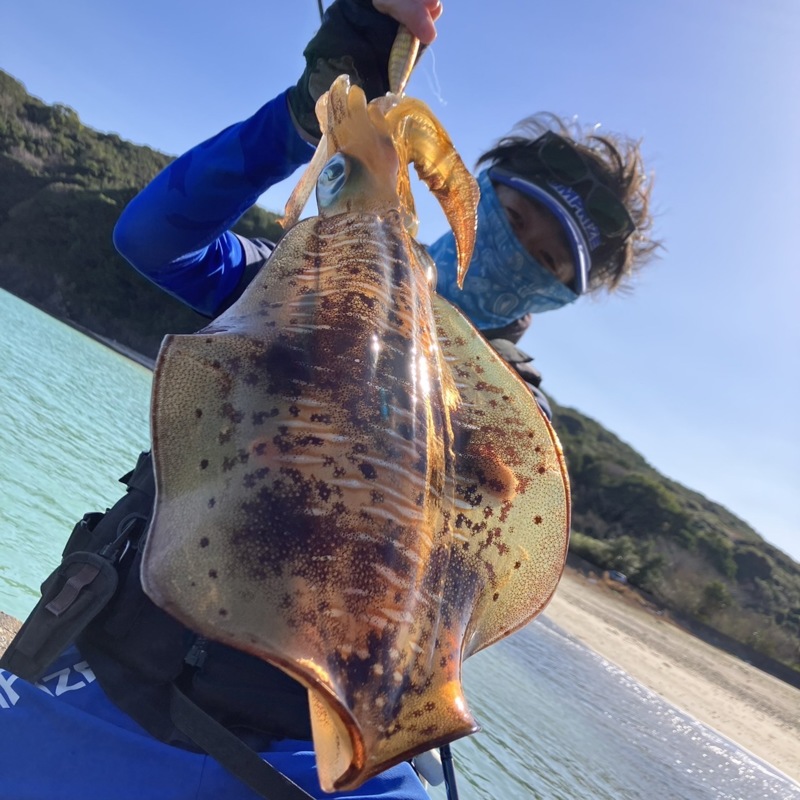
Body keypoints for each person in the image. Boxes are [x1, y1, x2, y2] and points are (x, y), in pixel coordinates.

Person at [0, 1, 659, 798]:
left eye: (550, 262)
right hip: (130, 670)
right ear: (477, 192)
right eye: (516, 219)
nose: (521, 254)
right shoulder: (297, 292)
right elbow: (154, 239)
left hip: (314, 746)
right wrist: (296, 119)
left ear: (562, 296)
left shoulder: (514, 422)